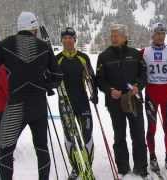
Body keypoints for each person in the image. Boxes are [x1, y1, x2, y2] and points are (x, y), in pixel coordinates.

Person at [0, 11, 63, 180]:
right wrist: (46, 85)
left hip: (16, 105)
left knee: (5, 151)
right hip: (38, 106)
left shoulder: (5, 44)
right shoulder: (43, 46)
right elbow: (58, 76)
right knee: (42, 149)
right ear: (33, 28)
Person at [96, 24, 149, 178]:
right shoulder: (104, 56)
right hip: (115, 102)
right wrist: (109, 90)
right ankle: (123, 168)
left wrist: (138, 87)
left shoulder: (135, 54)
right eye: (112, 35)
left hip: (134, 100)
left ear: (125, 37)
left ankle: (141, 167)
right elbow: (99, 79)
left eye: (116, 35)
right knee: (119, 135)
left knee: (138, 134)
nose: (113, 38)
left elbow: (144, 74)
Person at [56, 27, 98, 180]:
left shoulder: (83, 57)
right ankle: (75, 167)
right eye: (65, 38)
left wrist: (95, 93)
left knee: (87, 134)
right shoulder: (57, 59)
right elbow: (51, 79)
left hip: (82, 101)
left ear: (75, 40)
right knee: (70, 136)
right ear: (61, 40)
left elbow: (91, 78)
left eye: (70, 38)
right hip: (65, 102)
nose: (68, 40)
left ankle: (87, 165)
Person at [141, 22, 167, 175]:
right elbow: (139, 74)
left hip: (166, 92)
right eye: (158, 33)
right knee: (151, 128)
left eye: (163, 33)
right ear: (153, 35)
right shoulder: (145, 52)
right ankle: (152, 157)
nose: (160, 36)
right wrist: (137, 90)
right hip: (151, 92)